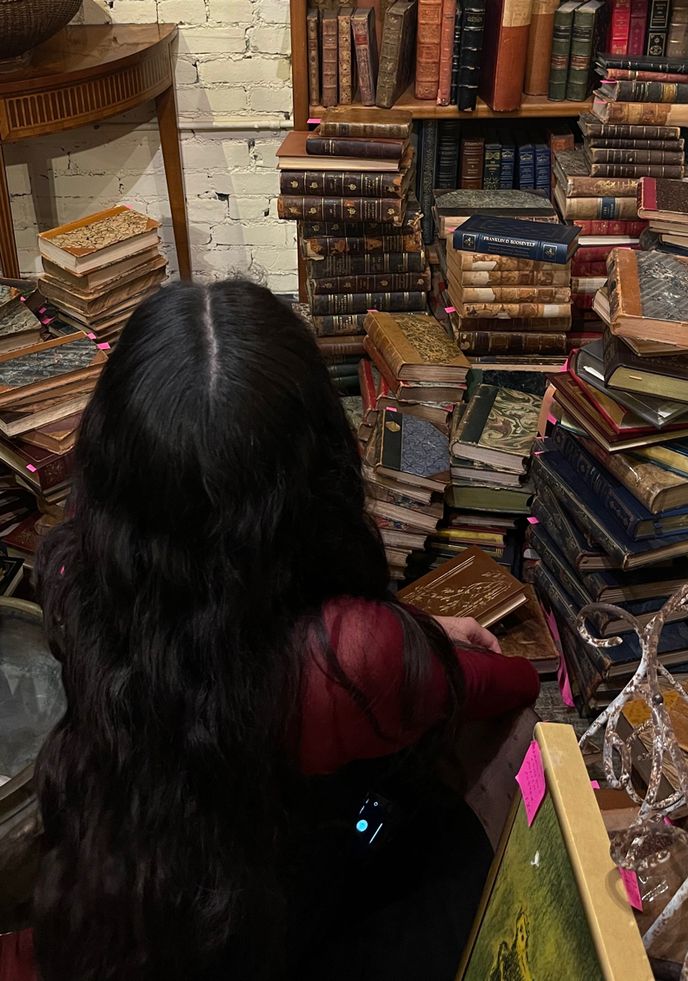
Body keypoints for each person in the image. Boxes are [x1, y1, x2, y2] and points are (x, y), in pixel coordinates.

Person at [21, 280, 538, 981]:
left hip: (131, 907)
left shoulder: (74, 578)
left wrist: (410, 632)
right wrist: (418, 638)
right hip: (269, 938)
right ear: (317, 465)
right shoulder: (345, 657)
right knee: (496, 840)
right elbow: (509, 681)